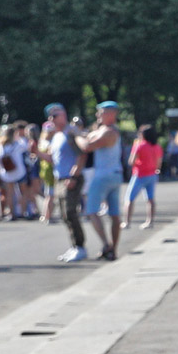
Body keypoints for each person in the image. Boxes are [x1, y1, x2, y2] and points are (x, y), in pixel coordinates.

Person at [78, 101, 125, 261]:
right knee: (114, 214)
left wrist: (77, 137)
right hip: (114, 175)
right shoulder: (106, 131)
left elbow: (87, 146)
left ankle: (107, 244)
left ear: (111, 114)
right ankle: (112, 249)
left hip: (104, 176)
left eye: (101, 112)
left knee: (91, 211)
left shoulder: (109, 132)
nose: (98, 115)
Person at [45, 105, 89, 262]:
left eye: (54, 115)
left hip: (71, 178)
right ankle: (74, 246)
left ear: (63, 115)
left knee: (71, 212)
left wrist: (74, 176)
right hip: (60, 178)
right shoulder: (56, 136)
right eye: (50, 116)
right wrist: (37, 153)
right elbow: (51, 158)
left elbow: (81, 154)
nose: (51, 119)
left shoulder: (71, 133)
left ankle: (80, 246)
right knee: (64, 215)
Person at [125, 125, 162, 229]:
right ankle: (150, 221)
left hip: (139, 174)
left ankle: (127, 222)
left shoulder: (139, 145)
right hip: (152, 174)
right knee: (150, 199)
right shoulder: (157, 146)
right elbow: (158, 163)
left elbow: (131, 161)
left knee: (129, 198)